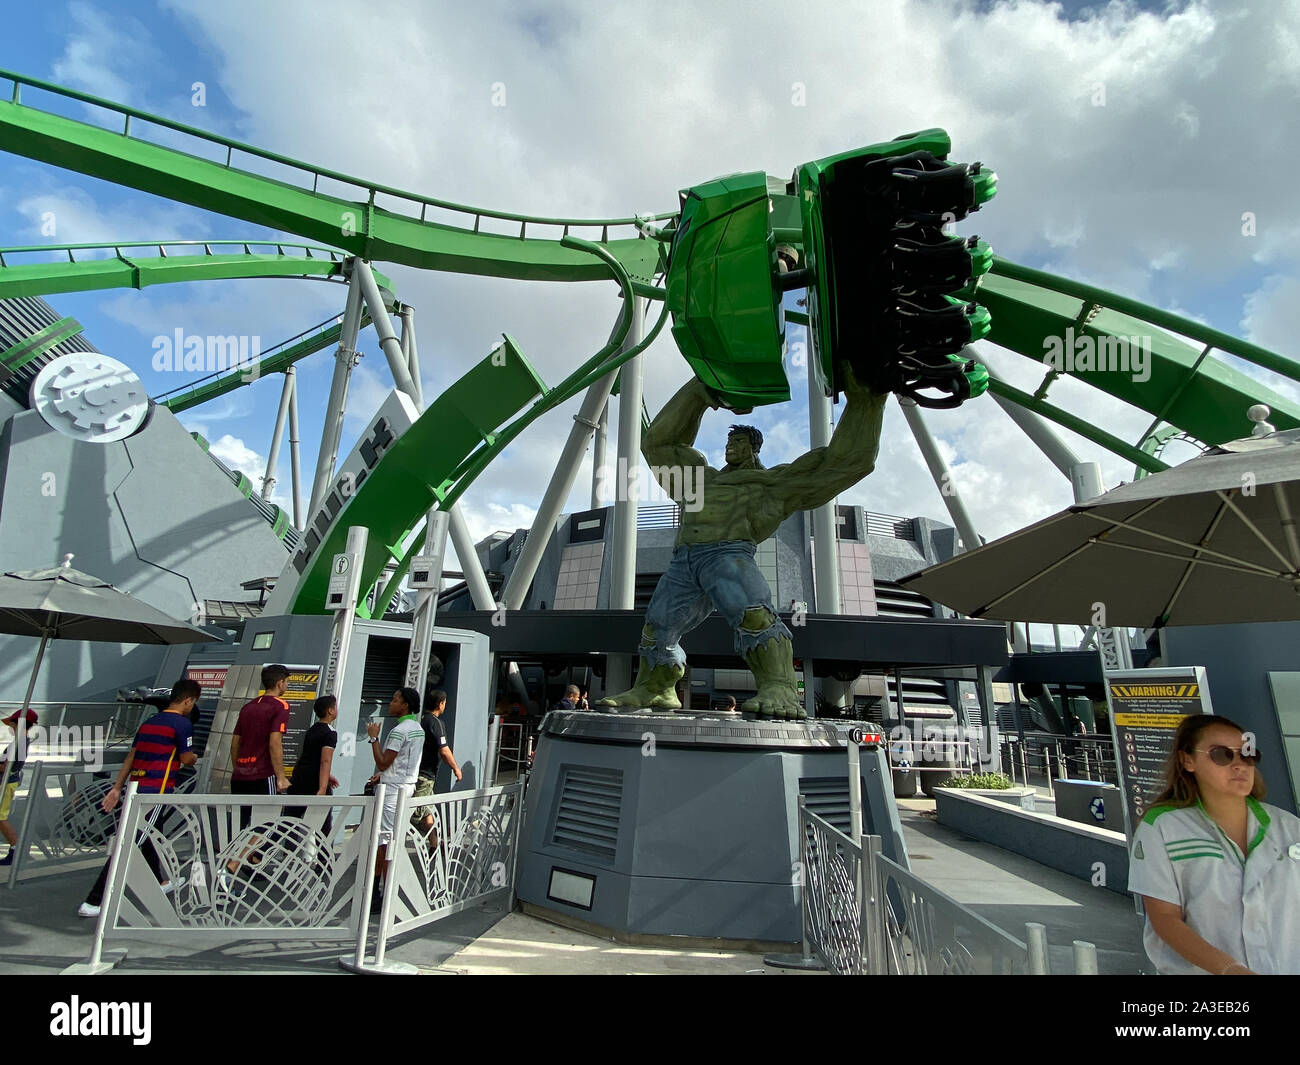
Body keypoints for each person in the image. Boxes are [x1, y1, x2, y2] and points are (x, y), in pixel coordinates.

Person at [599, 362, 922, 719]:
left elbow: (846, 462)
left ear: (753, 447)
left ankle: (780, 689)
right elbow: (658, 443)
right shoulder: (699, 480)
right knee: (657, 626)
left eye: (737, 442)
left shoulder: (772, 484)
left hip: (728, 553)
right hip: (684, 559)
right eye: (728, 441)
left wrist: (867, 399)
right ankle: (655, 687)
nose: (730, 448)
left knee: (753, 615)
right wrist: (704, 389)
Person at [1128, 713, 1300, 974]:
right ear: (1188, 760)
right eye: (1222, 754)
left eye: (1247, 754)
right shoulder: (1162, 827)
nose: (1239, 765)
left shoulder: (1289, 827)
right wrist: (1229, 969)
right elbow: (1164, 918)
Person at [78, 679, 200, 918]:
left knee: (150, 837)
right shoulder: (182, 725)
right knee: (131, 844)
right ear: (189, 700)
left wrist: (116, 788)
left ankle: (161, 882)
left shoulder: (148, 723)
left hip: (135, 788)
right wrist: (193, 758)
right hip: (156, 791)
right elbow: (186, 759)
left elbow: (131, 758)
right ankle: (94, 900)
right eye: (193, 702)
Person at [366, 687, 424, 904]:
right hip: (406, 786)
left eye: (395, 700)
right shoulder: (417, 728)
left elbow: (383, 761)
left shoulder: (399, 731)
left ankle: (378, 895)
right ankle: (385, 892)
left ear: (405, 705)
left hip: (392, 791)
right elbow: (401, 762)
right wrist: (384, 775)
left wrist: (373, 739)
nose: (391, 703)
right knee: (392, 839)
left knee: (384, 841)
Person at [230, 664, 292, 830]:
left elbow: (235, 741)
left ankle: (241, 855)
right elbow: (275, 742)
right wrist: (281, 776)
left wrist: (237, 766)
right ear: (280, 683)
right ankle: (240, 857)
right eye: (286, 682)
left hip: (239, 775)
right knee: (268, 824)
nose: (286, 686)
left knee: (240, 824)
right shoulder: (280, 705)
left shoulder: (248, 707)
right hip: (263, 773)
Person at [411, 690, 463, 843]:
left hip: (416, 772)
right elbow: (444, 750)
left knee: (428, 811)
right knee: (414, 814)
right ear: (440, 704)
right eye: (444, 703)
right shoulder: (436, 723)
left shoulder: (420, 721)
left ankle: (434, 844)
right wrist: (456, 768)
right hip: (425, 775)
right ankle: (394, 846)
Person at [285, 695, 340, 837]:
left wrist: (329, 776)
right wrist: (322, 788)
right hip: (314, 781)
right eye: (335, 707)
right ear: (330, 711)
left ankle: (283, 854)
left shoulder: (312, 730)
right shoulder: (330, 733)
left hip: (299, 778)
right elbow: (325, 761)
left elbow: (309, 756)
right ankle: (324, 858)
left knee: (290, 821)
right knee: (323, 825)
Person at [0, 709, 37, 866]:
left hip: (5, 783)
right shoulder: (22, 741)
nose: (11, 726)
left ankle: (16, 849)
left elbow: (6, 767)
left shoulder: (19, 743)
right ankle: (16, 849)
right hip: (9, 782)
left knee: (0, 818)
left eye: (12, 723)